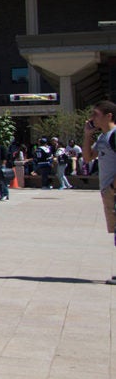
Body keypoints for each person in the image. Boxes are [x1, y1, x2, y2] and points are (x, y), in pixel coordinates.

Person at [81, 101, 116, 283]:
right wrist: (88, 135)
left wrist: (113, 188)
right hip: (108, 190)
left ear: (109, 116)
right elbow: (87, 158)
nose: (92, 118)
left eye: (96, 114)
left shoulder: (114, 135)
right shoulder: (103, 137)